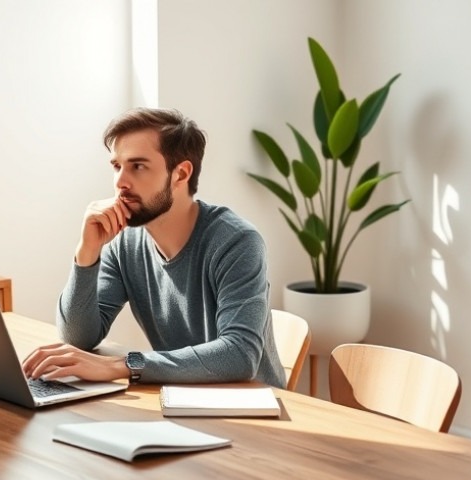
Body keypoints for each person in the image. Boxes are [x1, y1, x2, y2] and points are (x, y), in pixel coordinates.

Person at [21, 107, 286, 389]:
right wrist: (87, 251)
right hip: (179, 401)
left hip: (253, 412)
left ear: (180, 174)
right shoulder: (124, 243)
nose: (120, 182)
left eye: (138, 166)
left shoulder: (236, 242)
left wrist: (122, 366)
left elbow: (239, 355)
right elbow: (78, 337)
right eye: (116, 166)